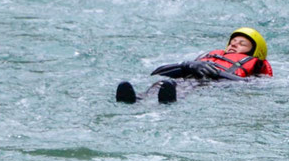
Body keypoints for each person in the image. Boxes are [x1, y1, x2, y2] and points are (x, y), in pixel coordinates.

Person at [116, 27, 272, 104]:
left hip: (213, 84)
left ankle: (166, 102)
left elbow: (251, 84)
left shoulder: (256, 67)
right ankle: (137, 99)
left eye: (242, 44)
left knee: (191, 88)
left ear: (255, 51)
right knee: (162, 83)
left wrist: (217, 73)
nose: (234, 46)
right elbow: (157, 72)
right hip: (189, 77)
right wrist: (188, 66)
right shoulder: (208, 57)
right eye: (232, 43)